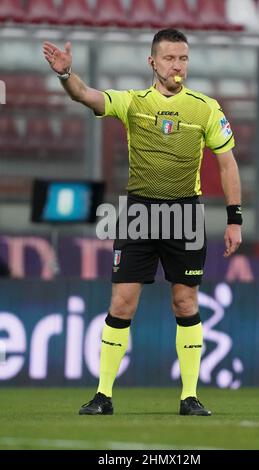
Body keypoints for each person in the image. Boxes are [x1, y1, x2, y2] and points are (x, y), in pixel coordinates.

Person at [43, 29, 242, 416]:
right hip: (139, 213)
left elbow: (227, 162)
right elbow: (87, 96)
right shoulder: (133, 102)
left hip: (185, 213)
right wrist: (67, 76)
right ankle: (103, 395)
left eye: (183, 58)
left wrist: (234, 218)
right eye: (169, 58)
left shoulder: (205, 108)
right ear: (152, 62)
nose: (177, 65)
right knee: (122, 301)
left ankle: (189, 396)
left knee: (185, 302)